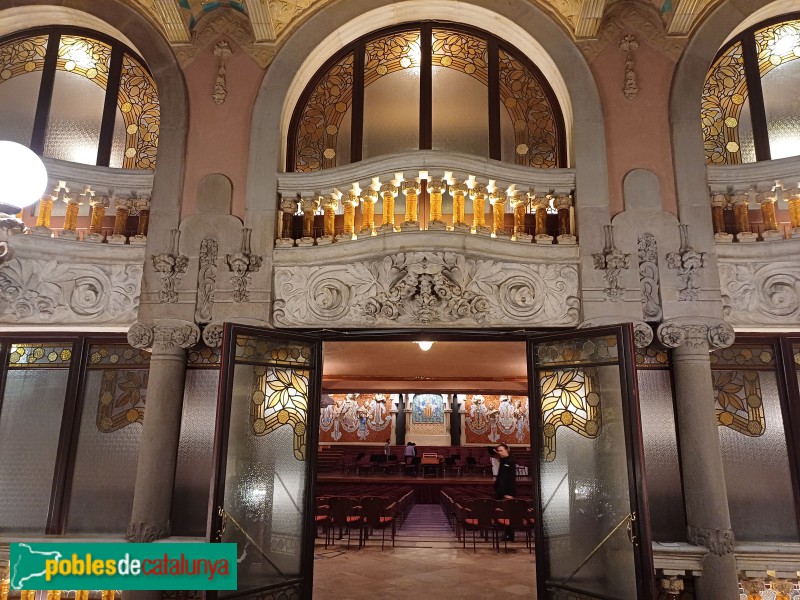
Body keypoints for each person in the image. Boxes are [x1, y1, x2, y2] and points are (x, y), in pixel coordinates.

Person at [494, 443, 517, 541]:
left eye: (501, 450)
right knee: (503, 514)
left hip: (507, 492)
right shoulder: (503, 461)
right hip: (501, 491)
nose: (499, 452)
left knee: (508, 514)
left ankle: (510, 535)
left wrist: (510, 493)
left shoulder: (511, 461)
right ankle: (506, 534)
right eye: (498, 451)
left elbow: (511, 479)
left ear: (507, 450)